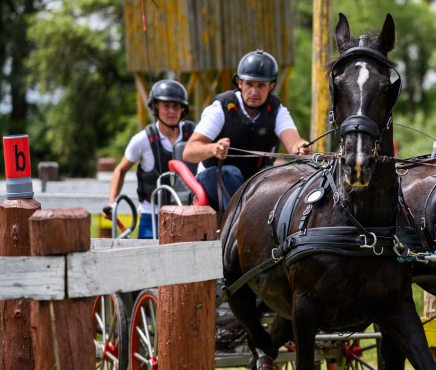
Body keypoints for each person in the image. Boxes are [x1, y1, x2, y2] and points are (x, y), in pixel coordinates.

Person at [183, 49, 311, 211]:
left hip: (254, 180)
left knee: (286, 173)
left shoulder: (277, 110)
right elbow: (189, 152)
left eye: (261, 86)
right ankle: (240, 223)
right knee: (230, 173)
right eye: (249, 84)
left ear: (271, 86)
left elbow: (294, 144)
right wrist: (213, 149)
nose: (254, 91)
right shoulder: (221, 108)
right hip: (214, 177)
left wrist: (301, 147)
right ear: (240, 83)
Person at [105, 79, 194, 238]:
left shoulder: (194, 135)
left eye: (176, 107)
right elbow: (120, 170)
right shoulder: (142, 140)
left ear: (183, 109)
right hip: (152, 215)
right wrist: (112, 202)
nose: (172, 111)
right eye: (166, 106)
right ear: (155, 108)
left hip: (189, 213)